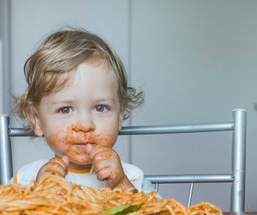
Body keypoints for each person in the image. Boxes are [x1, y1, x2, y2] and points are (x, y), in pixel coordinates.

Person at [13, 28, 155, 193]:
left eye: (100, 107)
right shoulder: (24, 180)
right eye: (65, 109)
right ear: (36, 119)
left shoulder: (133, 178)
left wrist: (122, 185)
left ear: (120, 115)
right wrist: (38, 196)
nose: (85, 125)